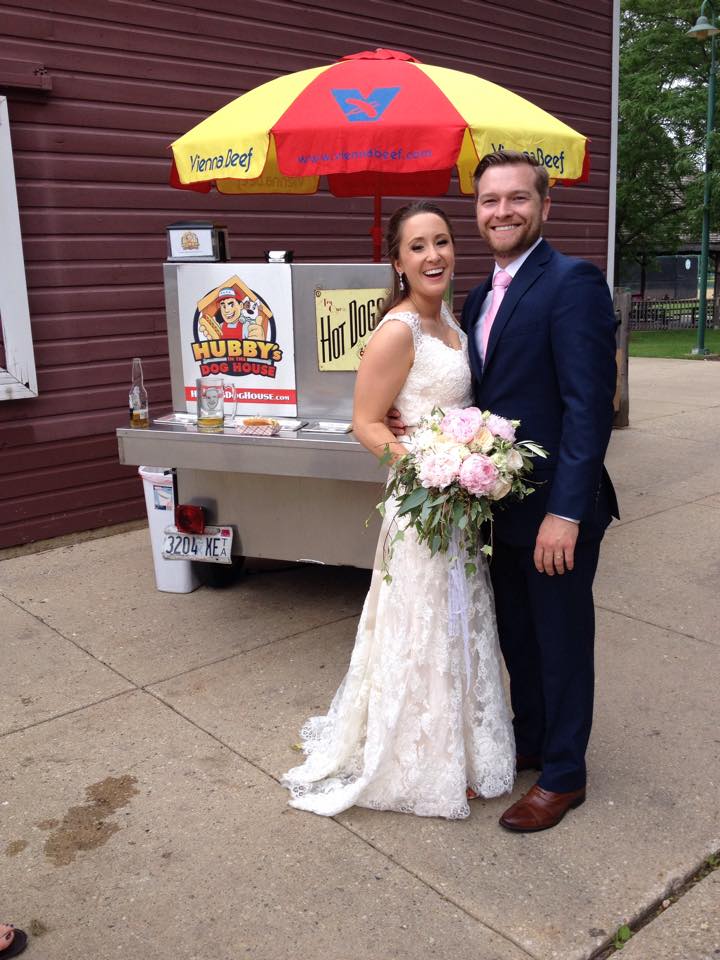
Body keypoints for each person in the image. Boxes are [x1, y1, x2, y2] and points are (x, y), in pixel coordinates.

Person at [391, 151, 618, 832]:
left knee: (562, 638)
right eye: (489, 202)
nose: (502, 212)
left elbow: (589, 408)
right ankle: (534, 740)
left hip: (556, 509)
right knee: (517, 635)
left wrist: (567, 513)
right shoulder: (479, 296)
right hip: (494, 509)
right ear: (478, 212)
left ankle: (565, 775)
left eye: (517, 199)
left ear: (544, 207)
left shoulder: (573, 282)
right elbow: (480, 396)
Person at [281, 201, 515, 819]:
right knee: (423, 627)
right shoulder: (398, 329)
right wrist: (431, 469)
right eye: (418, 246)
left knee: (458, 621)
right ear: (398, 262)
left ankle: (461, 747)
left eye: (442, 241)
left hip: (459, 507)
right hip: (424, 505)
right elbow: (364, 422)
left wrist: (470, 462)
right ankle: (421, 758)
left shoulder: (456, 329)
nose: (433, 255)